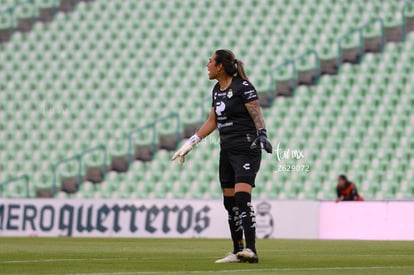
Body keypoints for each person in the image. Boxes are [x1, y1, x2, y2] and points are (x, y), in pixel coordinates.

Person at [172, 49, 272, 263]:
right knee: (230, 202)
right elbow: (212, 121)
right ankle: (238, 251)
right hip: (226, 151)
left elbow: (256, 113)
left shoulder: (243, 87)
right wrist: (191, 143)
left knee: (242, 198)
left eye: (210, 61)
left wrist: (262, 134)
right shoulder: (217, 89)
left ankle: (252, 250)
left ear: (220, 66)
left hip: (246, 149)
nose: (207, 65)